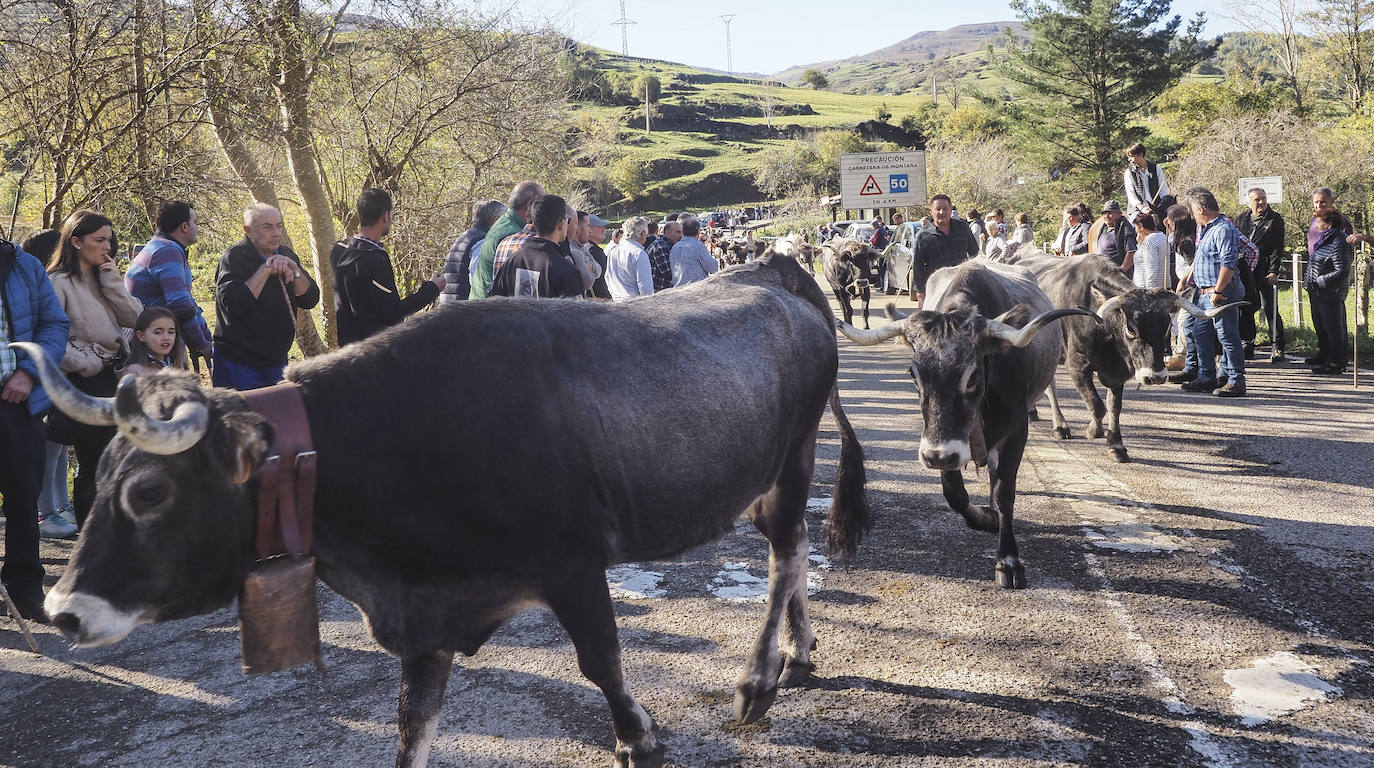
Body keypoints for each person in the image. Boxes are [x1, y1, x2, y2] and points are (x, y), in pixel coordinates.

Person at [46, 210, 144, 527]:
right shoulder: (57, 283)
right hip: (81, 381)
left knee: (118, 455)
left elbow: (135, 319)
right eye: (98, 240)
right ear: (76, 242)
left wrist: (112, 280)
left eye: (109, 240)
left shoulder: (103, 277)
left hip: (114, 377)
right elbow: (52, 339)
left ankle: (112, 530)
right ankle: (89, 536)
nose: (107, 246)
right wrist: (88, 361)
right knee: (94, 461)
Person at [1, 235, 69, 622]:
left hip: (18, 399)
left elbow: (55, 326)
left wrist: (28, 373)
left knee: (23, 497)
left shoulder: (24, 265)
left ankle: (24, 590)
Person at [213, 204, 321, 390]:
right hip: (238, 362)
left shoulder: (286, 254)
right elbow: (234, 306)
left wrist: (295, 270)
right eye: (267, 226)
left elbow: (310, 299)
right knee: (243, 417)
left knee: (276, 416)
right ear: (248, 231)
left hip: (276, 361)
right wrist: (265, 269)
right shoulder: (233, 258)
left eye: (279, 226)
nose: (276, 233)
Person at [332, 188, 443, 346]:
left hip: (346, 348)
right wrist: (432, 289)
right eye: (392, 214)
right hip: (372, 352)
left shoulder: (339, 249)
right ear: (385, 216)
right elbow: (392, 312)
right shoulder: (374, 260)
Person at [20, 229, 76, 539]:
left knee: (59, 443)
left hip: (58, 373)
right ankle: (47, 512)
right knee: (51, 443)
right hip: (50, 372)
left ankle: (61, 504)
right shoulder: (50, 283)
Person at [124, 200, 213, 367]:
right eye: (195, 222)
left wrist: (207, 339)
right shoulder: (167, 251)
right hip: (151, 352)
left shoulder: (162, 247)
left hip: (157, 343)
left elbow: (187, 301)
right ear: (184, 227)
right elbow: (180, 304)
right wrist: (201, 344)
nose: (197, 227)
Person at [1178, 187, 1246, 397]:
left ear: (1202, 209)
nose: (1190, 215)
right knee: (1200, 332)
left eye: (1191, 210)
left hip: (1221, 294)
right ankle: (1207, 377)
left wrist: (1217, 291)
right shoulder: (1208, 229)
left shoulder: (1224, 229)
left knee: (1227, 336)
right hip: (1204, 293)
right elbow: (1201, 258)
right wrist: (1187, 277)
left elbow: (1229, 264)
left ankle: (1236, 380)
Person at [488, 195, 585, 299]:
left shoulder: (513, 260)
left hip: (513, 315)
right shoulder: (565, 269)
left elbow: (495, 302)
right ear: (561, 224)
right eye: (568, 220)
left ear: (534, 222)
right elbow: (576, 313)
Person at [1235, 188, 1287, 362]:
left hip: (1264, 268)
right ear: (1249, 201)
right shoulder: (1241, 218)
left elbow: (1277, 248)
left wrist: (1274, 270)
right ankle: (1247, 343)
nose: (1261, 203)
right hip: (1246, 268)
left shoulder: (1275, 219)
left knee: (1269, 307)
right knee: (1246, 306)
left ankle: (1278, 345)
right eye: (1257, 200)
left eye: (1263, 199)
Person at [469, 181, 543, 299]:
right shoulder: (513, 233)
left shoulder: (505, 223)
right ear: (530, 205)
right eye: (541, 203)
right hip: (488, 310)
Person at [1305, 208, 1353, 374]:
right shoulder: (1325, 239)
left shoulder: (1339, 241)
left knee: (1333, 328)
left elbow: (1343, 269)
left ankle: (1336, 362)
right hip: (1317, 291)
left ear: (1329, 223)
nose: (1317, 225)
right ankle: (1325, 355)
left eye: (1320, 222)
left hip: (1331, 292)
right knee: (1322, 326)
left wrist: (1321, 280)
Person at [910, 195, 980, 305]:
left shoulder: (963, 228)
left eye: (945, 208)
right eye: (938, 209)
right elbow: (918, 267)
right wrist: (920, 292)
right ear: (932, 211)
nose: (942, 212)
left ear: (951, 210)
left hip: (962, 288)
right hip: (937, 290)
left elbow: (975, 255)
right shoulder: (923, 236)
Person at [441, 199, 505, 304]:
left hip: (449, 305)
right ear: (495, 220)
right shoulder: (481, 242)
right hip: (464, 309)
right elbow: (478, 282)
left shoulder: (464, 237)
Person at [120, 306, 186, 377]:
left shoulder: (177, 367)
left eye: (171, 332)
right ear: (141, 336)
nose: (166, 338)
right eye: (158, 332)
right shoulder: (134, 372)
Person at [605, 216, 653, 301]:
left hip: (616, 303)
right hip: (635, 306)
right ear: (643, 234)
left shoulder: (613, 252)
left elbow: (607, 278)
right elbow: (646, 291)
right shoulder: (639, 254)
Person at [1123, 142, 1171, 223]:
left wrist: (1161, 206)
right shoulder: (1128, 173)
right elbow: (1131, 196)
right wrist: (1142, 208)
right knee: (1132, 227)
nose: (1129, 160)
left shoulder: (1156, 169)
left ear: (1140, 155)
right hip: (1137, 210)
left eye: (1131, 157)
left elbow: (1164, 191)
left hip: (1157, 208)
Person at [1089, 200, 1138, 274]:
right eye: (1104, 213)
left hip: (1117, 275)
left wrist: (1122, 270)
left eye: (1110, 213)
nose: (1107, 216)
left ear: (1118, 214)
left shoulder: (1125, 229)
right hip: (1103, 272)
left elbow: (1131, 252)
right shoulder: (1103, 228)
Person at [670, 215, 719, 287]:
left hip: (678, 290)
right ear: (698, 231)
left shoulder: (675, 247)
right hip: (695, 290)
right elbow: (713, 268)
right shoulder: (698, 246)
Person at [1132, 214, 1169, 290]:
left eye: (1136, 228)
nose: (1136, 231)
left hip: (1146, 288)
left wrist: (1149, 290)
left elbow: (1151, 267)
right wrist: (1140, 243)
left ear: (1141, 227)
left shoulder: (1150, 241)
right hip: (1163, 284)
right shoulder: (1163, 236)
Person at [645, 219, 679, 291]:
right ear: (667, 233)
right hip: (659, 293)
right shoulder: (661, 245)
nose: (681, 235)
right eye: (678, 232)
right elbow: (667, 272)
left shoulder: (669, 244)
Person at [586, 214, 612, 300]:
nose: (604, 229)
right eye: (600, 227)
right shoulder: (593, 251)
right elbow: (598, 282)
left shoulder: (587, 248)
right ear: (590, 229)